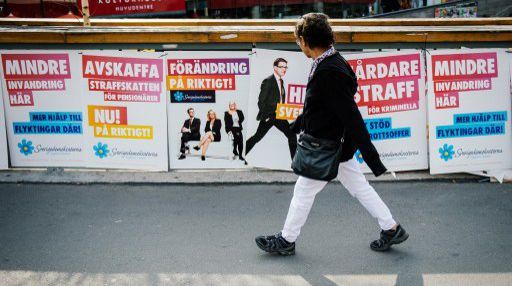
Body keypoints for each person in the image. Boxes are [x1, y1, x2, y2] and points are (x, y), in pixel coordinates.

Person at [255, 13, 408, 256]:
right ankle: (391, 227)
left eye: (298, 41)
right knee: (359, 186)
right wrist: (297, 125)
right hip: (337, 144)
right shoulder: (332, 60)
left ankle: (286, 240)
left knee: (303, 191)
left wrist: (373, 159)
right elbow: (322, 105)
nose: (299, 45)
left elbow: (351, 116)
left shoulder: (330, 71)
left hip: (326, 147)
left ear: (306, 41)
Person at [245, 58, 297, 160]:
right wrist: (266, 117)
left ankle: (295, 163)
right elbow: (261, 101)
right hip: (270, 115)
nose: (284, 69)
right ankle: (242, 154)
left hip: (280, 115)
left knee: (291, 135)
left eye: (285, 67)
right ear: (275, 68)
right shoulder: (268, 81)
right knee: (257, 137)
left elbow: (279, 99)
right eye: (281, 67)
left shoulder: (281, 81)